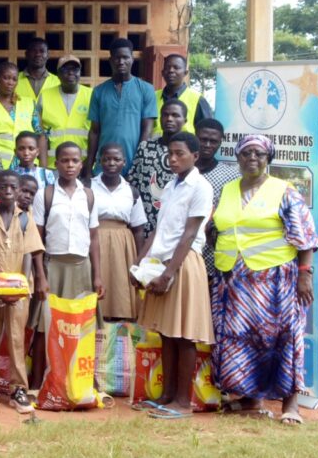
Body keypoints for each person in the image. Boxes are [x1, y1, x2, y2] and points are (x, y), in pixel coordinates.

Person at [210, 135, 318, 425]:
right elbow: (220, 226)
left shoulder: (283, 190)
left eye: (258, 153)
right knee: (240, 339)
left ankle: (290, 406)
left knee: (283, 337)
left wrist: (304, 274)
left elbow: (305, 236)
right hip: (234, 281)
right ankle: (250, 399)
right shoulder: (228, 189)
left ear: (268, 158)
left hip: (274, 280)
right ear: (238, 158)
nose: (252, 158)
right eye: (246, 153)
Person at [136, 132, 214, 419]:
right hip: (162, 263)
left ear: (195, 156)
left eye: (179, 153)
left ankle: (183, 402)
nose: (173, 158)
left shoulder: (200, 187)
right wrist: (139, 264)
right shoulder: (170, 186)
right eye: (170, 153)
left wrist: (169, 274)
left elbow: (190, 233)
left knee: (184, 335)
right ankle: (166, 396)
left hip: (183, 264)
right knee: (167, 333)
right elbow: (160, 229)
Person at [0, 170, 45, 413]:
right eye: (3, 187)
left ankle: (18, 389)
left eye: (13, 187)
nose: (9, 191)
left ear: (19, 189)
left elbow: (29, 252)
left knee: (16, 338)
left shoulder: (25, 219)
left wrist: (21, 285)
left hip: (18, 290)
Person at [30, 142, 103, 389]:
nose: (70, 165)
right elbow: (37, 239)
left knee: (80, 324)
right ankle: (38, 382)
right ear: (56, 164)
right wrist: (40, 276)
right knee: (46, 325)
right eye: (64, 160)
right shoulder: (46, 194)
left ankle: (80, 381)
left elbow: (94, 238)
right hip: (53, 266)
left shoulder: (89, 195)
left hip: (82, 267)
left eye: (75, 161)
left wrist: (97, 275)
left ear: (81, 164)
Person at [85, 38, 157, 176]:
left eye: (125, 57)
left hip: (133, 165)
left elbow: (147, 129)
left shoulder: (146, 89)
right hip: (104, 165)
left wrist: (138, 165)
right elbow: (94, 131)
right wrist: (88, 169)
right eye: (117, 58)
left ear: (132, 59)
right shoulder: (99, 91)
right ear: (111, 60)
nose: (121, 62)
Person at [91, 143, 147, 322]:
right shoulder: (88, 187)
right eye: (107, 159)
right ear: (100, 161)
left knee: (120, 286)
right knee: (94, 283)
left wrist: (139, 262)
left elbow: (138, 229)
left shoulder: (131, 191)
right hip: (94, 239)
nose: (111, 163)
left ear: (124, 162)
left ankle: (118, 329)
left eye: (116, 159)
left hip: (122, 245)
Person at [128, 100, 188, 234]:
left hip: (174, 226)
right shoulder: (145, 147)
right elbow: (132, 182)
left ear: (185, 121)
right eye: (165, 115)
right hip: (143, 223)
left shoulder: (188, 154)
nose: (169, 119)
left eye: (175, 115)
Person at [194, 118, 239, 281]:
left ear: (220, 142)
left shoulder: (231, 176)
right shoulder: (180, 171)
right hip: (180, 248)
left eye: (213, 141)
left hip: (213, 252)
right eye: (203, 139)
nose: (207, 145)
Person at [0, 61, 45, 169]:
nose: (10, 82)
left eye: (14, 79)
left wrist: (43, 168)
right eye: (6, 78)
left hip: (28, 165)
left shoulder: (29, 103)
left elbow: (40, 136)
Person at [37, 55, 92, 169]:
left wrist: (89, 166)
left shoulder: (91, 95)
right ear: (58, 74)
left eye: (75, 69)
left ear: (80, 73)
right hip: (53, 165)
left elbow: (98, 132)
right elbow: (39, 133)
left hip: (83, 165)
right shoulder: (45, 96)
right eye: (66, 70)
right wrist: (44, 168)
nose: (71, 73)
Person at [153, 53, 213, 137]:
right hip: (156, 144)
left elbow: (207, 131)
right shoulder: (152, 97)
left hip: (185, 145)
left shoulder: (197, 99)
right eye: (167, 68)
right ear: (162, 73)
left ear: (185, 73)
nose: (171, 70)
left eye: (176, 67)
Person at [15, 36, 59, 104]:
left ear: (48, 55)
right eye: (34, 51)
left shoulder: (58, 82)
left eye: (42, 51)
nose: (38, 54)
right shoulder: (14, 80)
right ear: (26, 54)